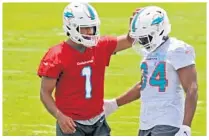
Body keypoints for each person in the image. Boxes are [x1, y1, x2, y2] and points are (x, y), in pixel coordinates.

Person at [37, 2, 134, 136]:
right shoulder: (56, 55)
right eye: (85, 28)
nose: (90, 32)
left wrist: (134, 28)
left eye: (92, 27)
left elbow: (129, 41)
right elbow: (45, 92)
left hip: (99, 121)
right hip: (72, 124)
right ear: (71, 26)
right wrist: (59, 116)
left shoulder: (100, 46)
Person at [104, 6, 198, 136]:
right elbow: (144, 85)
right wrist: (114, 104)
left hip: (168, 123)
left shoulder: (177, 49)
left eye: (145, 37)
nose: (142, 42)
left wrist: (186, 127)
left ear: (159, 31)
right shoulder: (150, 52)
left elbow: (191, 88)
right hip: (146, 123)